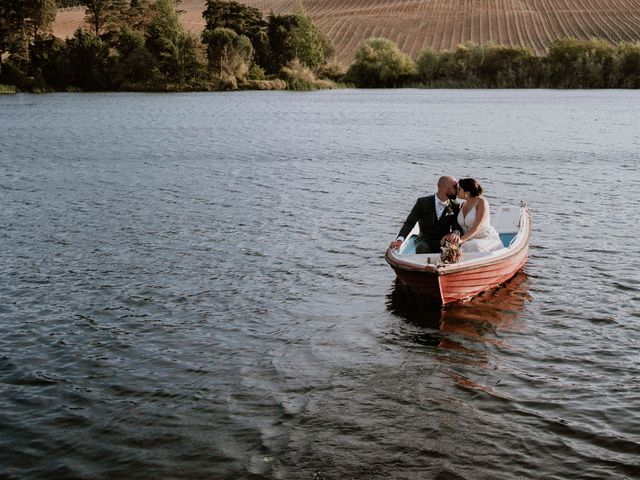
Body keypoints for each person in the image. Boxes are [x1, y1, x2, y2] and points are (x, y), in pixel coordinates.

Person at [389, 176, 462, 253]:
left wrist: (454, 233)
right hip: (424, 241)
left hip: (443, 240)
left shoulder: (455, 206)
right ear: (444, 187)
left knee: (454, 249)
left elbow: (456, 225)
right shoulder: (423, 202)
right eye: (455, 187)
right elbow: (410, 223)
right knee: (422, 247)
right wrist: (399, 240)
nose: (457, 190)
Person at [444, 178, 503, 253]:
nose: (456, 191)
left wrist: (461, 240)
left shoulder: (481, 202)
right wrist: (453, 235)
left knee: (468, 246)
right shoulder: (462, 205)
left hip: (484, 239)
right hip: (467, 240)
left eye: (459, 189)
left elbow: (478, 226)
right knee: (448, 244)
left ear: (467, 193)